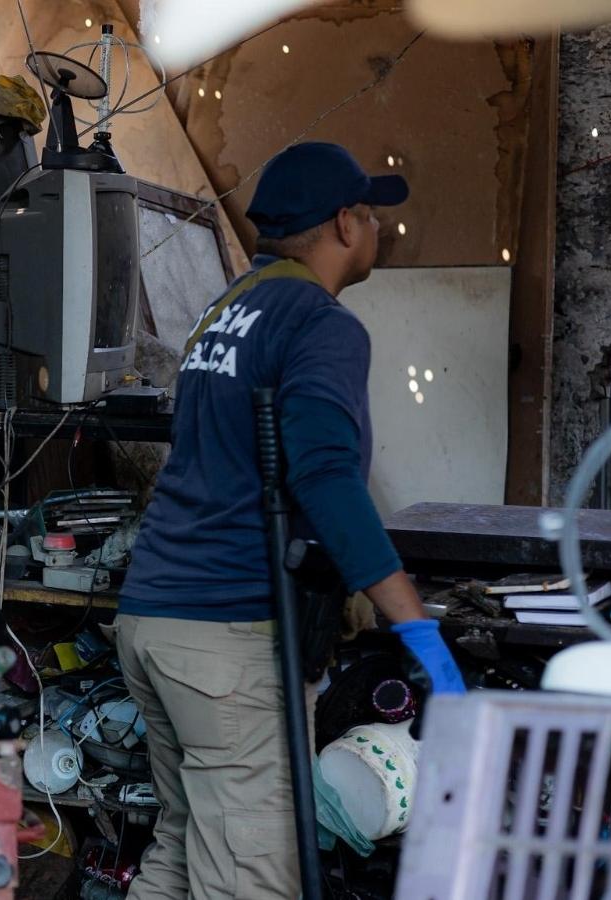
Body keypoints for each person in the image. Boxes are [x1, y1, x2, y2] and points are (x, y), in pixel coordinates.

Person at [115, 143, 465, 898]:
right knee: (252, 877)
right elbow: (327, 479)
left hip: (155, 619)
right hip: (225, 640)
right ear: (346, 223)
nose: (376, 230)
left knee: (180, 850)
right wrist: (417, 628)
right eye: (372, 215)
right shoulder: (321, 322)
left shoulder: (227, 310)